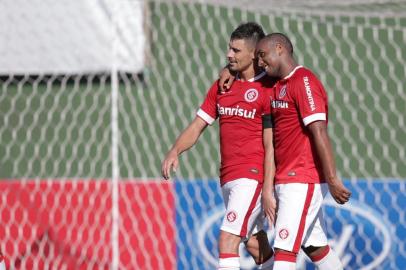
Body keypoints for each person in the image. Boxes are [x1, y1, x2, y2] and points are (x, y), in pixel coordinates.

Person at [221, 32, 352, 270]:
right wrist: (228, 70)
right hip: (285, 179)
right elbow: (246, 71)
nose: (260, 62)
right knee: (315, 247)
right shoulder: (276, 86)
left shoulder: (303, 81)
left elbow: (319, 131)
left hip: (303, 178)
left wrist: (332, 179)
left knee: (284, 251)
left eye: (263, 56)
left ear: (279, 48)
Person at [161, 22, 276, 270]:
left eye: (235, 50)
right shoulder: (223, 85)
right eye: (229, 49)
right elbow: (198, 125)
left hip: (253, 176)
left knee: (227, 238)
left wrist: (269, 183)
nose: (229, 54)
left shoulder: (270, 87)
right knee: (256, 245)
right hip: (228, 176)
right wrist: (175, 150)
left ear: (254, 54)